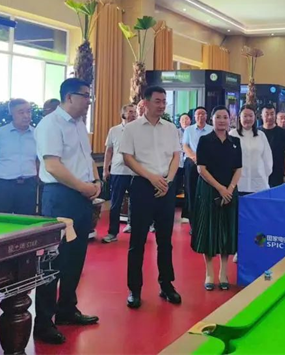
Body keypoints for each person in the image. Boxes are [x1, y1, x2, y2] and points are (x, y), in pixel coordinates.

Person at [33, 78, 100, 344]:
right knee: (54, 259)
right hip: (60, 197)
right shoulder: (50, 124)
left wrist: (96, 181)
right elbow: (52, 165)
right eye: (85, 96)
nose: (89, 101)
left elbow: (86, 158)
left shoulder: (79, 125)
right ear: (69, 97)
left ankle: (67, 309)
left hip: (81, 196)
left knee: (76, 257)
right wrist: (83, 186)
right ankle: (43, 322)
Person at [120, 86, 182, 309]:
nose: (162, 105)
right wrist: (151, 177)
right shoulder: (132, 128)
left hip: (165, 186)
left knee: (165, 240)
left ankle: (167, 285)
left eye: (164, 101)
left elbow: (176, 156)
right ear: (145, 103)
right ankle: (134, 289)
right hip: (142, 186)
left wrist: (168, 181)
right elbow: (127, 158)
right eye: (157, 101)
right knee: (137, 241)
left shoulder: (170, 128)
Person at [192, 106, 242, 291]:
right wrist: (220, 188)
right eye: (218, 117)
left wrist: (230, 189)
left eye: (225, 117)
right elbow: (201, 169)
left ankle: (223, 272)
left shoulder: (235, 142)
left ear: (230, 120)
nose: (222, 120)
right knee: (209, 230)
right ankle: (209, 273)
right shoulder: (205, 141)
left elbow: (238, 168)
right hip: (209, 190)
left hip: (230, 190)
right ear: (212, 120)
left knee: (227, 230)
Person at [0, 98, 38, 215]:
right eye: (21, 112)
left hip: (28, 186)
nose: (26, 116)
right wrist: (1, 171)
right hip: (3, 186)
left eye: (28, 111)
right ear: (11, 114)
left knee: (26, 222)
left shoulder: (37, 134)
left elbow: (39, 159)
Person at [101, 103, 136, 243]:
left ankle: (134, 228)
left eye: (134, 112)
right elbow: (109, 151)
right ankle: (112, 233)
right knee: (116, 203)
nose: (133, 114)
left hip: (135, 172)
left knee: (136, 203)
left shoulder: (139, 130)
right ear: (123, 114)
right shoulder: (114, 130)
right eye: (130, 112)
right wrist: (105, 169)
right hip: (118, 171)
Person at [230, 105, 273, 196]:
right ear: (239, 117)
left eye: (251, 116)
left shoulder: (261, 135)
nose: (248, 119)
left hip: (259, 184)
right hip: (239, 184)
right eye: (245, 116)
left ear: (255, 117)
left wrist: (264, 175)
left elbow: (268, 160)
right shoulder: (232, 134)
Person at [181, 107, 212, 228]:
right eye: (198, 114)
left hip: (208, 162)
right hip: (192, 162)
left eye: (203, 114)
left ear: (207, 116)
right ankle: (193, 224)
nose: (200, 116)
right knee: (191, 191)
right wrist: (194, 158)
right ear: (194, 117)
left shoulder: (212, 129)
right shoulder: (189, 130)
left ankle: (206, 221)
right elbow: (185, 146)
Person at [260, 106, 285, 187]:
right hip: (260, 174)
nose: (269, 117)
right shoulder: (257, 132)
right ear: (261, 116)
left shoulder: (283, 133)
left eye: (272, 114)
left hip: (278, 173)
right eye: (267, 114)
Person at [177, 113, 192, 222]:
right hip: (177, 163)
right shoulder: (176, 132)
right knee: (175, 188)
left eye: (187, 119)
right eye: (182, 120)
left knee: (188, 188)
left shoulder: (192, 131)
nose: (185, 121)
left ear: (190, 120)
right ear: (179, 122)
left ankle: (186, 214)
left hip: (188, 162)